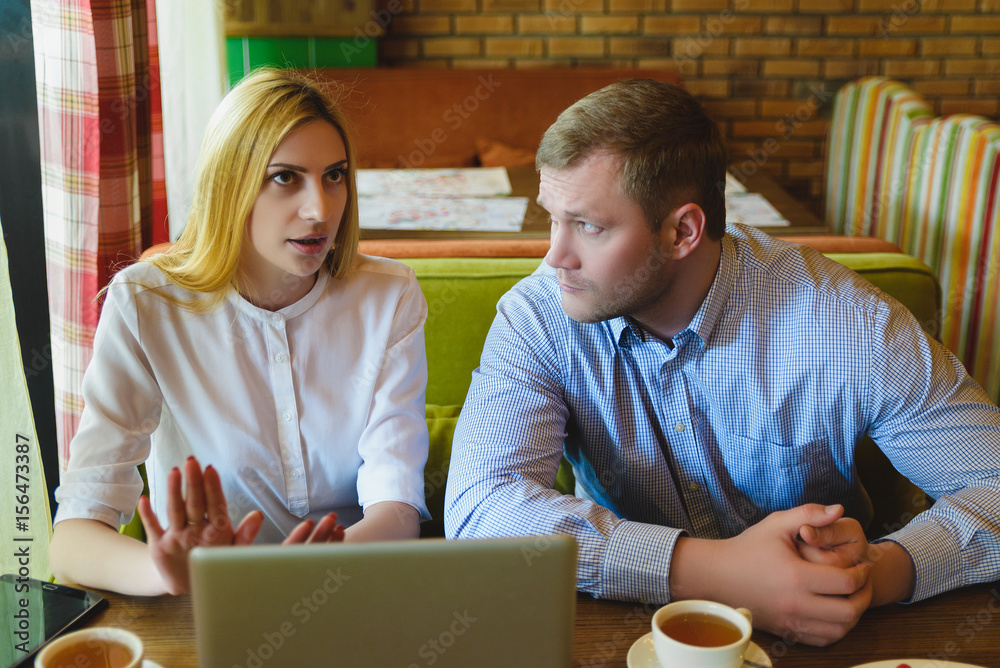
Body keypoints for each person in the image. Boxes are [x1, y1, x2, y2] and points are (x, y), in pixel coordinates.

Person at [444, 78, 1000, 647]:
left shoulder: (847, 323)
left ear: (683, 230)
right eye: (552, 218)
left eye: (588, 226)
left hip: (824, 641)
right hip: (621, 630)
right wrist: (713, 571)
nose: (555, 256)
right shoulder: (538, 317)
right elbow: (480, 510)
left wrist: (872, 576)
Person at [50, 68, 430, 596]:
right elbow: (72, 539)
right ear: (230, 184)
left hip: (351, 590)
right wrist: (169, 574)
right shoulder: (145, 303)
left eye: (334, 175)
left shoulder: (389, 296)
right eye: (285, 177)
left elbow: (397, 511)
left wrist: (302, 578)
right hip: (203, 607)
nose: (320, 209)